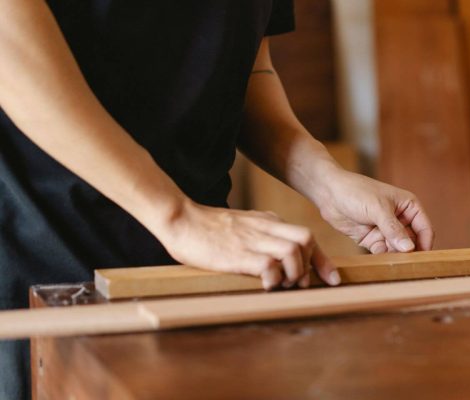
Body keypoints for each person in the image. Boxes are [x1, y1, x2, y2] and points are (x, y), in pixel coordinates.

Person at [0, 1, 435, 398]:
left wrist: (324, 179)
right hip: (38, 267)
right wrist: (175, 216)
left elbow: (245, 69)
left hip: (199, 275)